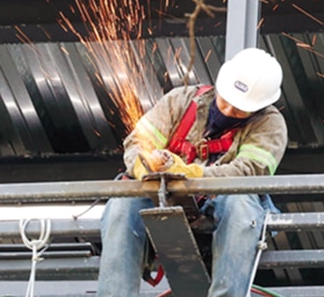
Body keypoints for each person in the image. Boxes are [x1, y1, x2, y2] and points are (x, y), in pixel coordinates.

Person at [97, 47, 288, 297]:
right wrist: (146, 167)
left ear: (260, 106)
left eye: (239, 109)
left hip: (224, 209)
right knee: (122, 203)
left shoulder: (270, 125)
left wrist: (190, 175)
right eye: (226, 101)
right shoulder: (181, 101)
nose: (228, 111)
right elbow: (136, 144)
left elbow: (249, 172)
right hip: (163, 200)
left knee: (240, 203)